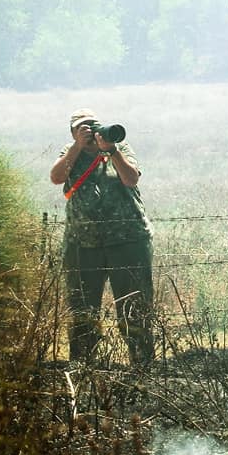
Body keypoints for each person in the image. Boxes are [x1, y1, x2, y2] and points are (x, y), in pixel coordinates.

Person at [48, 109, 155, 365]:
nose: (89, 131)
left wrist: (112, 150)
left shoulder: (119, 147)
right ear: (73, 132)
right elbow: (56, 177)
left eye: (92, 126)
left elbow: (131, 180)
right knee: (83, 307)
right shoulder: (69, 152)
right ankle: (83, 365)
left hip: (127, 241)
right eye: (81, 128)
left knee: (134, 307)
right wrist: (77, 146)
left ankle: (142, 365)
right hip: (83, 244)